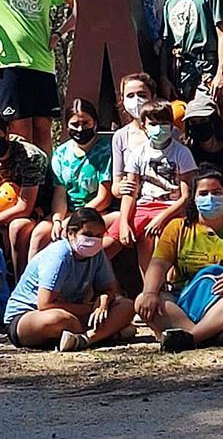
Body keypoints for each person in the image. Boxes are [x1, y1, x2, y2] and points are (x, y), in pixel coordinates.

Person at [134, 171, 223, 352]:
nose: (211, 198)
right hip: (185, 302)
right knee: (143, 300)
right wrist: (150, 292)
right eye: (203, 193)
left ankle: (190, 338)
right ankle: (211, 335)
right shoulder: (177, 227)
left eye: (217, 192)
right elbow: (159, 264)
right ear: (194, 199)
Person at [4, 208, 135, 351]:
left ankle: (85, 339)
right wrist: (91, 308)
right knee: (60, 319)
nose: (94, 240)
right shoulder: (59, 254)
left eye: (99, 236)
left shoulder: (98, 253)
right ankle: (107, 333)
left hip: (75, 313)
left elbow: (110, 289)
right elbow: (45, 304)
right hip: (29, 317)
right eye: (88, 234)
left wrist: (104, 300)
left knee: (126, 306)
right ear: (71, 233)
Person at [1, 0, 75, 154]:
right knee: (20, 130)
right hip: (10, 63)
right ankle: (20, 186)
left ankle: (44, 186)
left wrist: (60, 33)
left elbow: (78, 4)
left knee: (43, 129)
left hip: (43, 64)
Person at [107, 100, 198, 276]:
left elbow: (186, 196)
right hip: (143, 206)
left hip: (172, 209)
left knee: (156, 243)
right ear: (144, 126)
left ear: (172, 125)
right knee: (107, 246)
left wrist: (162, 218)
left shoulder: (182, 153)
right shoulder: (138, 153)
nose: (159, 128)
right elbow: (130, 192)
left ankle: (156, 290)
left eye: (164, 123)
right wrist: (125, 222)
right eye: (154, 124)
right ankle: (114, 291)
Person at [36, 99, 114, 258]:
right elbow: (60, 194)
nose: (80, 128)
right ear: (67, 126)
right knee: (39, 235)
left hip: (96, 211)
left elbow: (103, 198)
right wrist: (57, 220)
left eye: (86, 123)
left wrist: (74, 219)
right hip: (68, 211)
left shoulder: (106, 150)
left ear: (95, 123)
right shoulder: (60, 154)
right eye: (75, 124)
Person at [0, 116, 49, 276]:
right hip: (6, 205)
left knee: (17, 227)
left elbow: (25, 207)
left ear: (6, 132)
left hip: (38, 208)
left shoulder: (30, 157)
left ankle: (18, 279)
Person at [110, 73, 161, 199]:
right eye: (130, 96)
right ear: (122, 99)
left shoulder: (169, 132)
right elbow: (115, 186)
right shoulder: (120, 136)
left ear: (153, 97)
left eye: (142, 95)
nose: (136, 100)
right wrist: (121, 188)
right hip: (134, 204)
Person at [181, 94, 223, 168]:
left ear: (215, 120)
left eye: (203, 120)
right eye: (193, 122)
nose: (199, 126)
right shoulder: (186, 150)